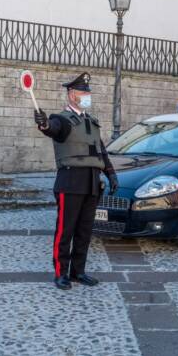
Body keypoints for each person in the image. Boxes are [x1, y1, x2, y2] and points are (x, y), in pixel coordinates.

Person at [34, 72, 119, 290]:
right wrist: (44, 124)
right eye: (83, 93)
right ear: (72, 94)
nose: (87, 96)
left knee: (84, 231)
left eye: (88, 93)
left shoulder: (91, 121)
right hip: (70, 182)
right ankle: (61, 273)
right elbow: (52, 129)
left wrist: (111, 174)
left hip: (92, 183)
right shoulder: (62, 119)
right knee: (65, 231)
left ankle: (78, 272)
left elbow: (101, 151)